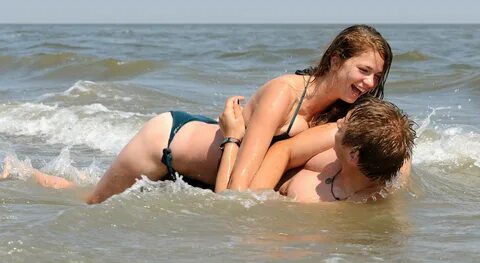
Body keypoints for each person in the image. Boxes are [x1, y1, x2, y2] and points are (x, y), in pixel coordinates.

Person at [1, 25, 393, 204]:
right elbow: (237, 191)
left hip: (204, 170)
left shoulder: (343, 112)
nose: (370, 82)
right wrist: (232, 135)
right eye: (363, 70)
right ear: (337, 58)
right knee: (88, 202)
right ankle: (19, 173)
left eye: (377, 75)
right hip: (165, 144)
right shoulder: (284, 95)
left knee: (90, 189)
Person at [216, 95, 416, 202]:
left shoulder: (310, 201)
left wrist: (232, 138)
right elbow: (283, 150)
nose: (337, 123)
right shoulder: (391, 155)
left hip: (215, 160)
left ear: (354, 155)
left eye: (342, 126)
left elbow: (232, 205)